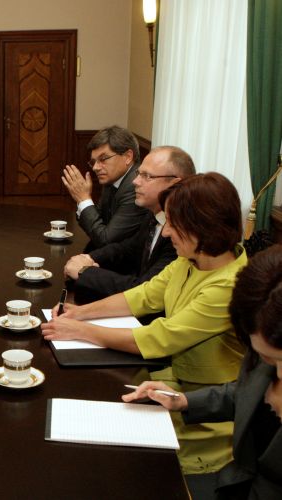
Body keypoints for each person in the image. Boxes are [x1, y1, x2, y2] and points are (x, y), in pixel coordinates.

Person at [42, 172, 247, 477]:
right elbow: (143, 296)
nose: (166, 233)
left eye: (173, 224)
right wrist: (80, 313)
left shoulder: (229, 286)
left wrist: (80, 331)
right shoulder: (191, 260)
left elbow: (161, 338)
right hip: (166, 386)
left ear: (201, 228)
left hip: (200, 417)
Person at [124, 245, 282, 499]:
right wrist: (183, 401)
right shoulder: (264, 334)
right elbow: (244, 392)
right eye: (266, 358)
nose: (278, 374)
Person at [64, 146, 195, 303]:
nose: (135, 181)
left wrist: (85, 271)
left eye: (147, 176)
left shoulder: (183, 234)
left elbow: (143, 289)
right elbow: (127, 249)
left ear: (174, 184)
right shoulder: (153, 214)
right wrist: (87, 258)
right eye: (139, 173)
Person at [62, 125, 150, 250]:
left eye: (103, 159)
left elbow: (104, 239)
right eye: (93, 162)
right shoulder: (112, 180)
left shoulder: (136, 187)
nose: (95, 168)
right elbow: (99, 222)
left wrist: (84, 199)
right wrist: (83, 200)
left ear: (128, 157)